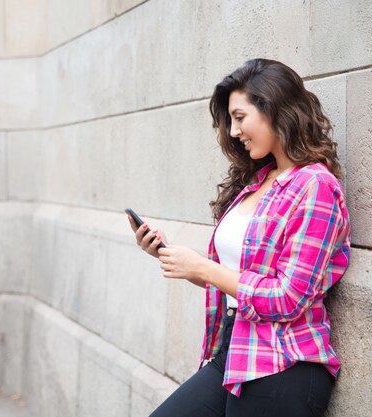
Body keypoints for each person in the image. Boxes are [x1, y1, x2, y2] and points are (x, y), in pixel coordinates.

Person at [127, 58, 351, 417]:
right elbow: (235, 276)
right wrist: (172, 257)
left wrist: (203, 267)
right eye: (230, 121)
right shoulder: (256, 184)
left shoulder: (315, 187)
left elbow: (288, 298)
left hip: (283, 364)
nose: (233, 131)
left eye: (240, 117)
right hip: (234, 351)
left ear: (275, 110)